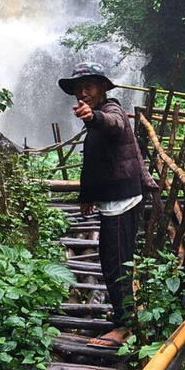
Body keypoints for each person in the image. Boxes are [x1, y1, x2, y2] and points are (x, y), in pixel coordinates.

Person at [58, 62, 157, 348]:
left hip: (122, 201)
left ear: (102, 87)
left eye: (88, 86)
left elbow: (113, 123)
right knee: (111, 261)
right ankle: (124, 317)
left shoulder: (112, 111)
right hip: (113, 200)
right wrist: (87, 196)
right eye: (78, 89)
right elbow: (97, 163)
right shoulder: (95, 119)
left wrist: (94, 116)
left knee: (116, 264)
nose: (82, 93)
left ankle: (125, 327)